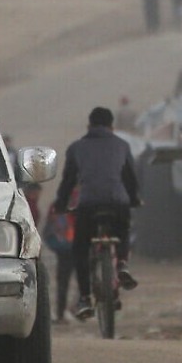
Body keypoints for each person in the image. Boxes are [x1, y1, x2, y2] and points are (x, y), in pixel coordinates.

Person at [54, 107, 142, 319]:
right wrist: (134, 199)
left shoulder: (77, 148)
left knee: (80, 248)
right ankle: (122, 262)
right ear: (112, 127)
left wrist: (61, 204)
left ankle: (85, 298)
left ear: (89, 126)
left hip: (89, 204)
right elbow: (130, 179)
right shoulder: (122, 145)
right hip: (118, 203)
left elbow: (68, 182)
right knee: (123, 229)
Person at [41, 207, 77, 322]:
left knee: (64, 281)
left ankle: (64, 311)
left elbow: (48, 231)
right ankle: (69, 310)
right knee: (73, 280)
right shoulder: (85, 200)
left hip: (66, 248)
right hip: (71, 248)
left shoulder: (58, 204)